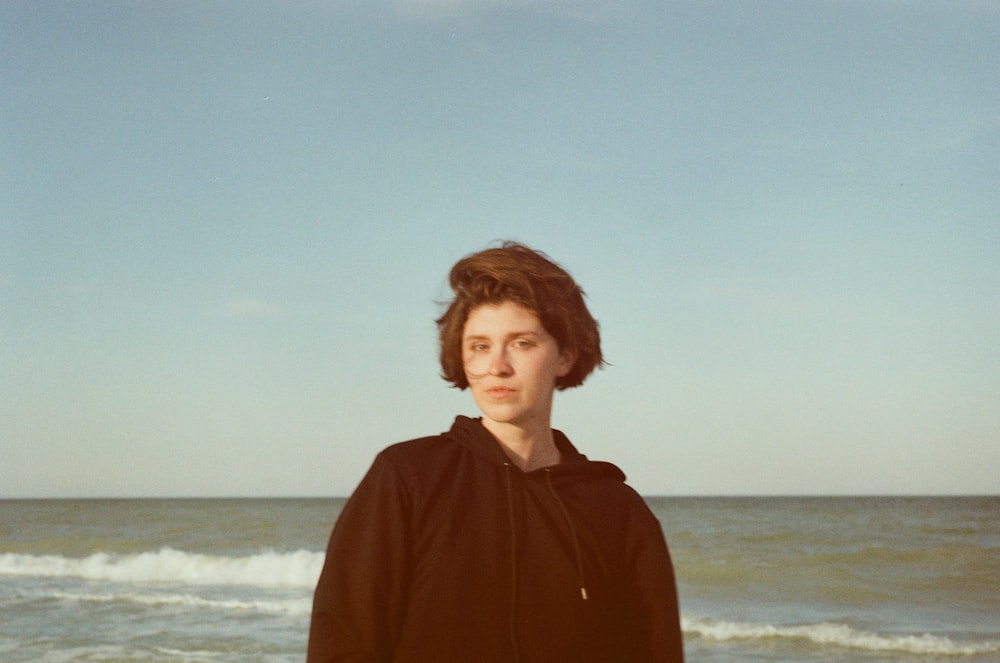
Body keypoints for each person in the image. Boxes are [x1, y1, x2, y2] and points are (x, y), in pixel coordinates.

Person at [307, 242, 684, 662]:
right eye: (480, 346)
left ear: (565, 357)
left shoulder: (617, 510)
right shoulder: (408, 477)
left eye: (521, 343)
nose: (497, 366)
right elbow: (343, 640)